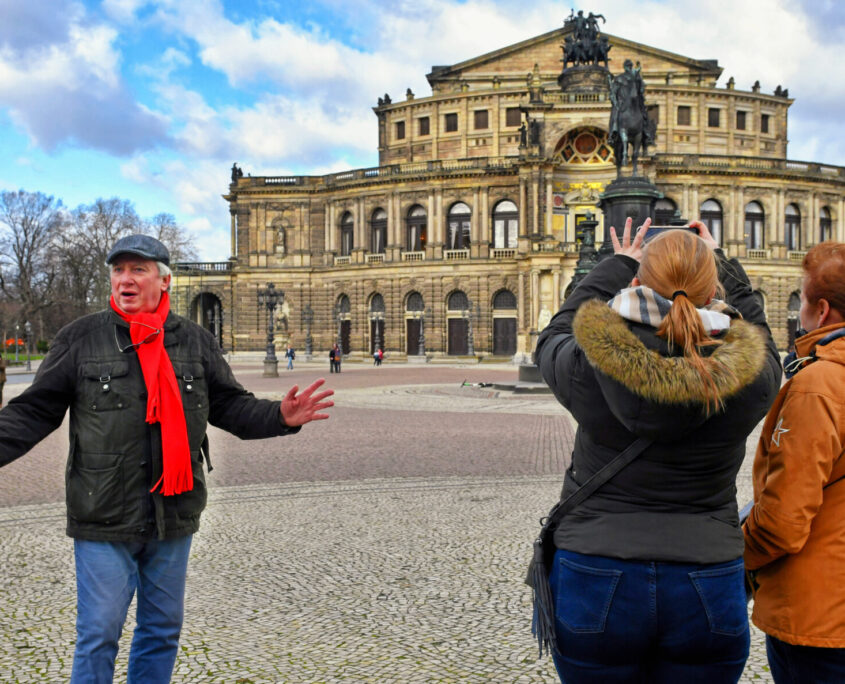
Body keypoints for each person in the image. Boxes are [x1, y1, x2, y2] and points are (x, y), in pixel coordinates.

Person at [0, 234, 334, 683]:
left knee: (161, 631)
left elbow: (230, 406)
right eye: (118, 270)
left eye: (138, 270)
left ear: (164, 279)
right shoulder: (81, 338)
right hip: (102, 513)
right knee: (98, 633)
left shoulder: (194, 341)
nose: (125, 280)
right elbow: (33, 411)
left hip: (173, 512)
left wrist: (280, 416)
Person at [534, 218, 781, 683]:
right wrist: (720, 262)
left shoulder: (590, 362)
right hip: (707, 578)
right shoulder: (753, 374)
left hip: (596, 567)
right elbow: (763, 336)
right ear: (713, 292)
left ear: (636, 281)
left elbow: (554, 335)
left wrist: (618, 263)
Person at [743, 241, 845, 683]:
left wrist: (734, 557)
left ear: (821, 312)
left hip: (820, 620)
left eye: (800, 301)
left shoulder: (818, 384)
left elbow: (782, 521)